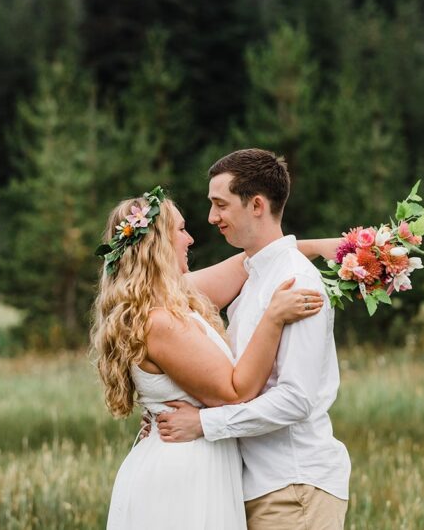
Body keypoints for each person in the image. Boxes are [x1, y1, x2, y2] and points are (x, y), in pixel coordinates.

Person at [92, 185, 339, 529]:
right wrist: (273, 316)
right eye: (180, 230)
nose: (191, 239)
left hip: (201, 465)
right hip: (183, 472)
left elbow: (258, 256)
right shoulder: (159, 321)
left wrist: (333, 248)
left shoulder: (175, 298)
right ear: (156, 245)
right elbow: (236, 392)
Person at [156, 149, 351, 529]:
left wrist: (204, 424)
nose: (212, 218)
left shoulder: (296, 282)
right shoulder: (255, 279)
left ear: (257, 205)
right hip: (262, 485)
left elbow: (295, 400)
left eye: (220, 205)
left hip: (294, 486)